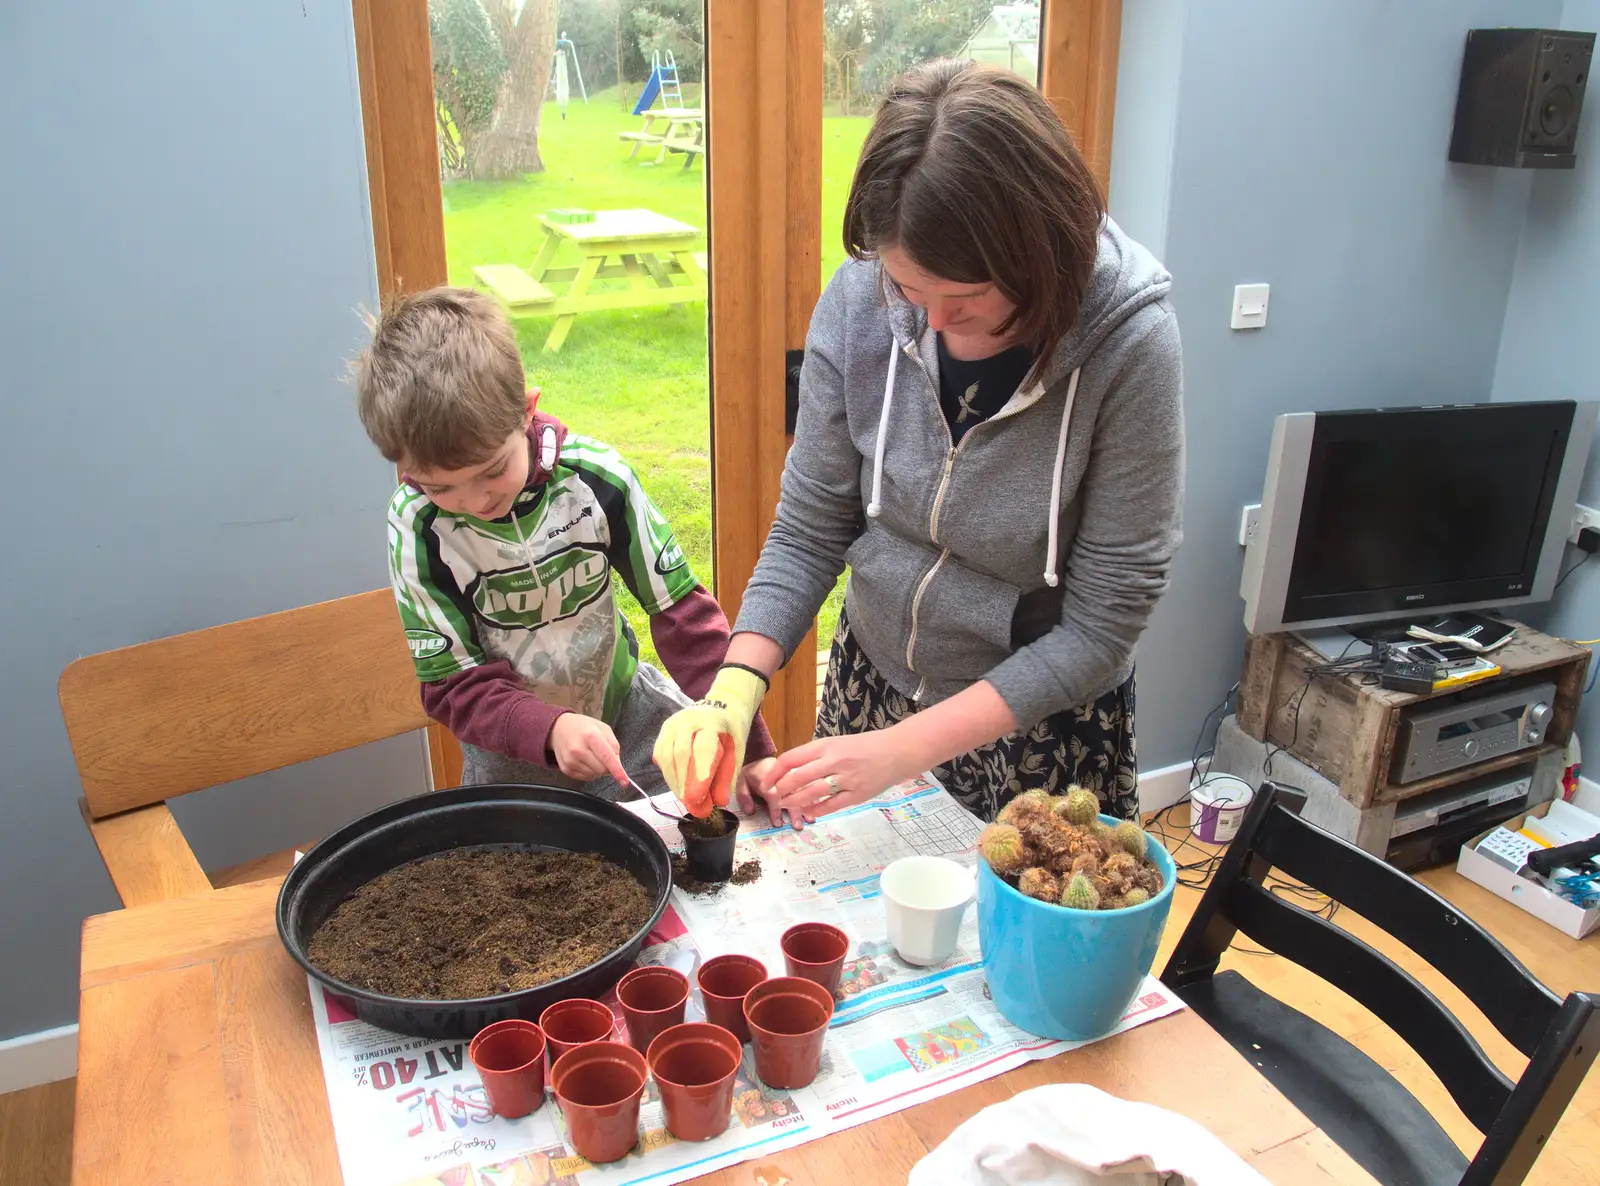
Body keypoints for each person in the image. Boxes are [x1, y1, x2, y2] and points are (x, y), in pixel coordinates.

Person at [654, 60, 1183, 826]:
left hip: (1037, 724)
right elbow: (810, 526)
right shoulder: (860, 300)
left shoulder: (1131, 348)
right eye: (906, 289)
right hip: (873, 685)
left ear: (1041, 258)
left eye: (964, 301)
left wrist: (906, 750)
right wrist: (734, 692)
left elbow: (1101, 628)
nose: (928, 325)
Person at [355, 286, 772, 803]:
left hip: (630, 728)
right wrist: (551, 731)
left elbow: (684, 618)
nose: (475, 501)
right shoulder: (416, 529)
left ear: (526, 411)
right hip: (511, 758)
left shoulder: (598, 480)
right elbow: (453, 686)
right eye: (439, 487)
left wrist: (750, 750)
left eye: (491, 470)